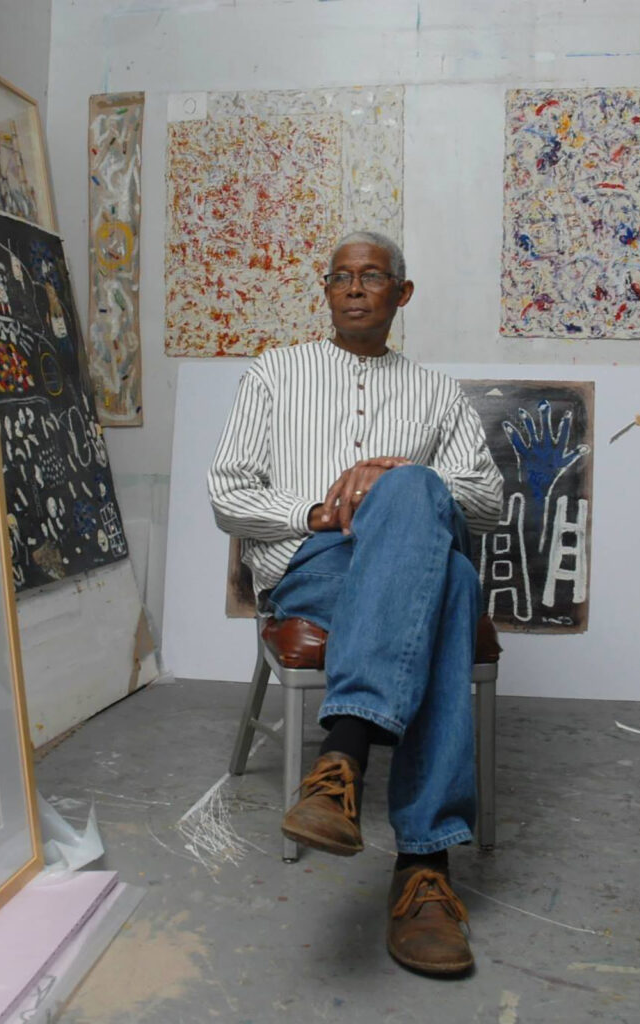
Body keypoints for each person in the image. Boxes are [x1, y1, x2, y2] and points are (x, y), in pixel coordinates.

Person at [207, 230, 503, 975]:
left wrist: (401, 476)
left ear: (401, 294)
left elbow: (490, 500)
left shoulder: (437, 392)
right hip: (317, 562)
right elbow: (228, 491)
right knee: (452, 590)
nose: (354, 288)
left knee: (413, 494)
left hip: (411, 555)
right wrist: (315, 511)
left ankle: (341, 760)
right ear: (327, 291)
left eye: (372, 277)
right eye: (340, 277)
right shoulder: (276, 374)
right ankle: (425, 870)